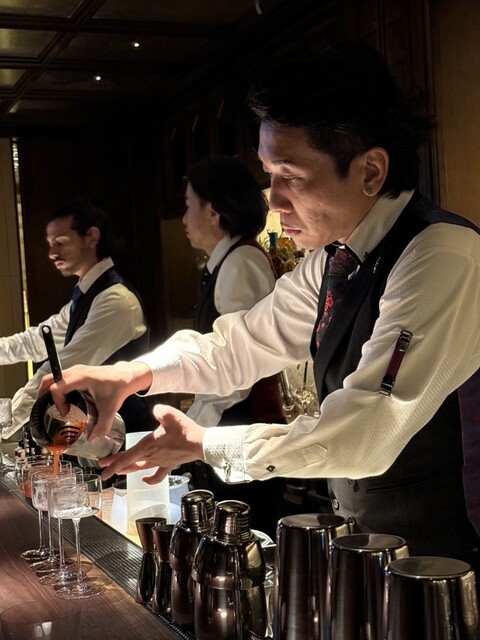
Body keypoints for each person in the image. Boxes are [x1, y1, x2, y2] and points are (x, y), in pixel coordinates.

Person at [42, 41, 480, 577]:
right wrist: (132, 373)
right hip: (376, 548)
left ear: (371, 171)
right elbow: (241, 343)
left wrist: (206, 443)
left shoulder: (440, 256)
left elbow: (366, 429)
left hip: (450, 562)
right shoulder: (334, 259)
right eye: (269, 174)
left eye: (289, 176)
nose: (271, 200)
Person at [179, 155, 286, 535]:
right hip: (229, 430)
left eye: (189, 205)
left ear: (213, 212)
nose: (184, 218)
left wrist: (192, 432)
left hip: (242, 432)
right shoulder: (226, 263)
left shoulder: (241, 262)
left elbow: (240, 368)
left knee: (244, 546)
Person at [1, 196, 154, 442]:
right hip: (96, 439)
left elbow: (60, 370)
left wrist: (5, 423)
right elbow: (35, 341)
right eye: (50, 244)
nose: (52, 253)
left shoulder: (115, 301)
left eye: (60, 242)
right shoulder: (85, 296)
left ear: (91, 236)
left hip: (125, 438)